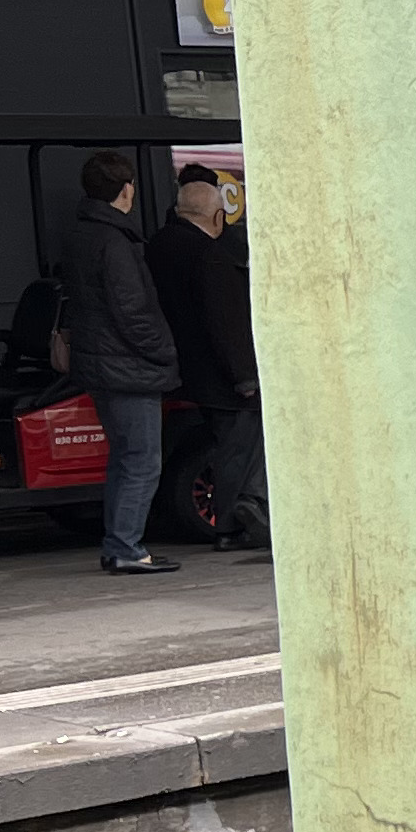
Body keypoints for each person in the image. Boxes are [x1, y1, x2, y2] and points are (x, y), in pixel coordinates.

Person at [61, 148, 180, 575]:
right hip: (129, 368)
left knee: (124, 458)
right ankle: (126, 546)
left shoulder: (82, 235)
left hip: (100, 364)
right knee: (142, 461)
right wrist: (166, 351)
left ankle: (119, 543)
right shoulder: (115, 241)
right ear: (127, 190)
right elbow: (133, 312)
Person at [147, 165, 269, 551]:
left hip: (178, 365)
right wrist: (245, 377)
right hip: (218, 374)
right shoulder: (211, 256)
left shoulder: (157, 246)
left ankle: (238, 514)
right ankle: (233, 524)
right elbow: (226, 323)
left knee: (227, 444)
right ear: (218, 216)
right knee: (239, 446)